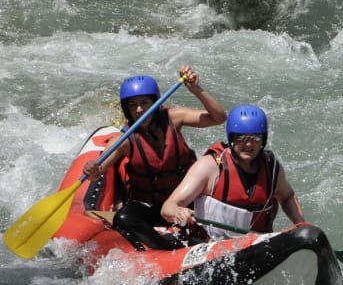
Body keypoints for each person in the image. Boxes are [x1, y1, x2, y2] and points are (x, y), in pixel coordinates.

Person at [83, 65, 226, 249]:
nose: (139, 110)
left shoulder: (174, 118)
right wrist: (91, 168)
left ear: (155, 103)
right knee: (124, 218)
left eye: (144, 103)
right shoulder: (124, 140)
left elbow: (219, 117)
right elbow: (97, 172)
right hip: (152, 209)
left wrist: (195, 89)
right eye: (133, 105)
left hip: (185, 203)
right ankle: (168, 248)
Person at [160, 104, 304, 239]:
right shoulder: (210, 166)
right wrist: (178, 212)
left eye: (255, 138)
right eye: (241, 138)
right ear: (232, 138)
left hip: (256, 243)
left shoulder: (271, 167)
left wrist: (301, 225)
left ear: (263, 140)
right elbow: (168, 206)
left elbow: (287, 197)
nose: (248, 144)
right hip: (211, 244)